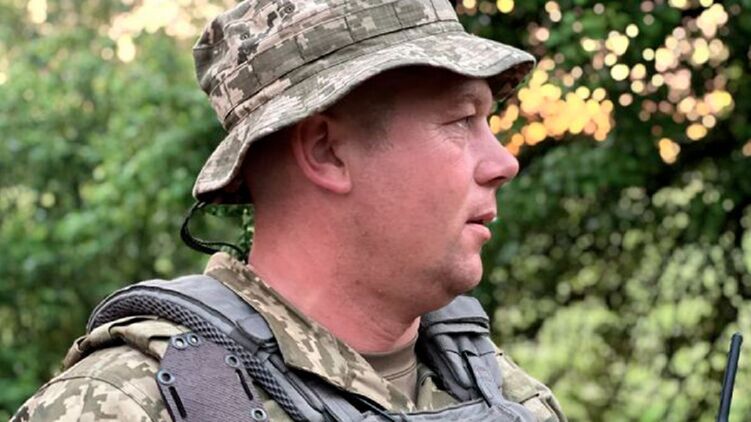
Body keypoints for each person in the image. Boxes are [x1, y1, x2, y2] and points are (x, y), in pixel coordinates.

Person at [13, 0, 566, 420]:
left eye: (487, 121)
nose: (503, 162)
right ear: (326, 152)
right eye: (460, 121)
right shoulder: (125, 405)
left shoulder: (502, 392)